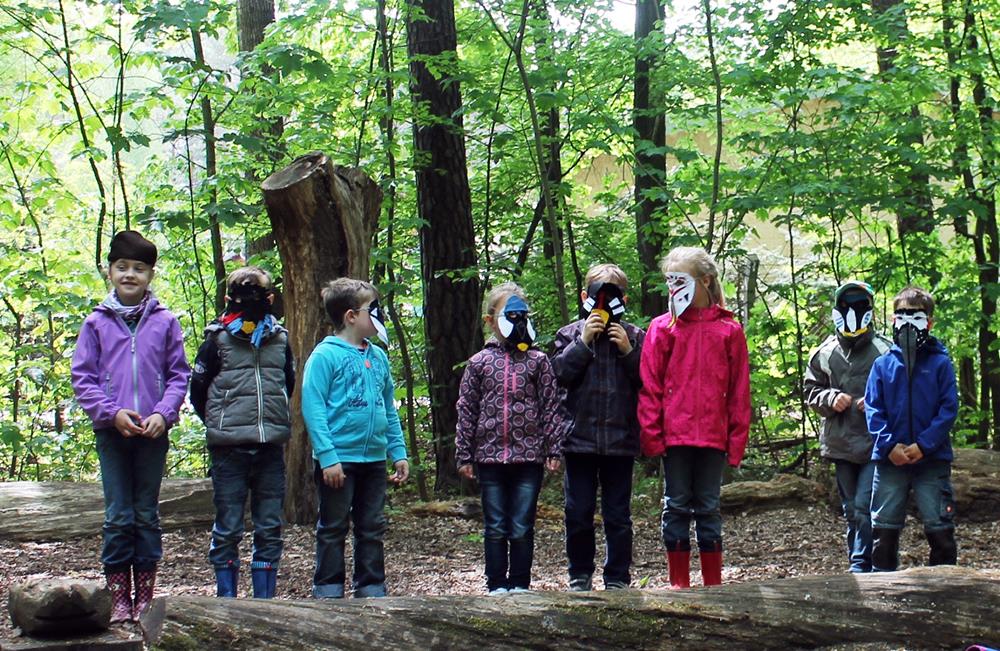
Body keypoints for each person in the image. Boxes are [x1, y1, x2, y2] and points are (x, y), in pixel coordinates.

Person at [71, 231, 190, 622]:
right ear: (109, 271)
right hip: (112, 431)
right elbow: (83, 378)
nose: (129, 275)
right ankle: (119, 595)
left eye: (138, 268)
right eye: (122, 267)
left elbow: (178, 375)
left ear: (150, 275)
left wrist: (164, 413)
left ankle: (145, 596)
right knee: (118, 514)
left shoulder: (165, 321)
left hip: (153, 433)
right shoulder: (96, 323)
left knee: (146, 513)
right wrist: (110, 413)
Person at [637, 246, 751, 589]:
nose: (674, 289)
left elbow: (739, 390)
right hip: (676, 436)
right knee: (675, 507)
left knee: (708, 508)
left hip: (713, 438)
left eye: (681, 280)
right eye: (669, 282)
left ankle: (713, 584)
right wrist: (652, 436)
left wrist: (736, 442)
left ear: (705, 281)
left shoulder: (729, 329)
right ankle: (679, 584)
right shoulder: (662, 328)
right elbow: (650, 385)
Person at [456, 282, 568, 594]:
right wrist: (464, 454)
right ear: (490, 320)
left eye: (521, 314)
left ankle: (519, 582)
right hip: (490, 458)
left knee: (521, 525)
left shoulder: (538, 361)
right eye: (509, 314)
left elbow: (550, 405)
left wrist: (553, 448)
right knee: (495, 526)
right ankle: (496, 584)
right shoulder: (479, 363)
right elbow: (466, 408)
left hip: (528, 458)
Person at [190, 266, 294, 599]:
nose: (249, 302)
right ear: (227, 299)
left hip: (269, 447)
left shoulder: (279, 339)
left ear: (270, 299)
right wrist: (222, 424)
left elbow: (286, 384)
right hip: (229, 449)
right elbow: (198, 391)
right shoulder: (216, 340)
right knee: (228, 526)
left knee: (269, 527)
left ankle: (264, 605)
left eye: (256, 295)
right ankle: (226, 601)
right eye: (241, 294)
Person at [301, 278, 408, 598]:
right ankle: (329, 588)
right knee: (333, 527)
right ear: (350, 316)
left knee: (371, 526)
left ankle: (371, 586)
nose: (380, 316)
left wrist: (398, 450)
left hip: (374, 459)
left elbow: (387, 406)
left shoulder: (379, 357)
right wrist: (328, 457)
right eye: (372, 310)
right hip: (339, 460)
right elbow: (313, 407)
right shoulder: (325, 356)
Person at [551, 263, 645, 591]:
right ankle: (579, 574)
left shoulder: (635, 336)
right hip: (579, 441)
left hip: (620, 440)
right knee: (578, 512)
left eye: (613, 294)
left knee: (618, 515)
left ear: (624, 299)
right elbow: (558, 375)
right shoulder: (568, 334)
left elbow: (647, 381)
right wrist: (583, 342)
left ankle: (618, 577)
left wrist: (628, 352)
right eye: (599, 293)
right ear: (584, 296)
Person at [865, 286, 958, 571]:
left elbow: (948, 409)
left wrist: (925, 444)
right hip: (890, 460)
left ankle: (945, 585)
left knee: (939, 523)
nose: (907, 321)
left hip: (931, 459)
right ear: (893, 320)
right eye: (901, 315)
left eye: (915, 315)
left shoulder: (940, 364)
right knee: (884, 528)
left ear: (929, 322)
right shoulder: (882, 365)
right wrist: (889, 445)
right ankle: (883, 587)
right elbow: (873, 408)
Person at [804, 281, 891, 573]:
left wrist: (879, 401)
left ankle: (862, 564)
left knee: (866, 506)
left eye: (859, 305)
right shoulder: (824, 353)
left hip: (874, 443)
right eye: (847, 305)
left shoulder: (885, 351)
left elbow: (901, 392)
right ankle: (860, 561)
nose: (853, 311)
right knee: (851, 509)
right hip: (840, 443)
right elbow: (810, 392)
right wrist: (831, 398)